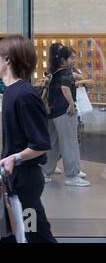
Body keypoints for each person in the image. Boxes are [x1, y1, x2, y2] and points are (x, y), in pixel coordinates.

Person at [0, 35, 56, 243]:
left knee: (26, 235)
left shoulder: (24, 95)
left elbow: (41, 144)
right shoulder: (11, 92)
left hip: (25, 181)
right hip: (16, 179)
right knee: (27, 234)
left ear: (8, 60)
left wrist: (14, 158)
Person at [41, 45, 90, 187]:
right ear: (63, 60)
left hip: (52, 112)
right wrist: (71, 103)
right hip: (64, 111)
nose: (73, 60)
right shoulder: (66, 72)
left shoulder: (53, 72)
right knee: (70, 142)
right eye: (71, 58)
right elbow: (65, 88)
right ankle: (72, 175)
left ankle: (46, 172)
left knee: (52, 144)